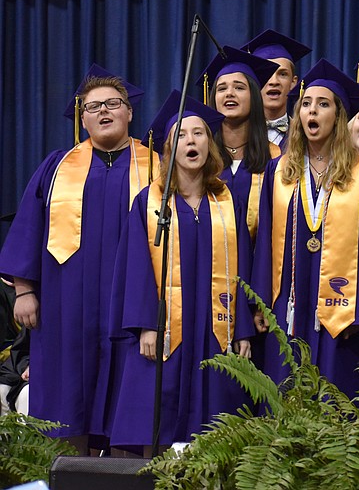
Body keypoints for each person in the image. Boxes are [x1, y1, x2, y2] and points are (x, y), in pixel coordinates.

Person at [0, 65, 156, 453]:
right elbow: (28, 228)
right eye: (93, 106)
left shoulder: (156, 166)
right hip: (65, 307)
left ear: (129, 112)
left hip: (133, 304)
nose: (104, 111)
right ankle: (68, 471)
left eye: (113, 104)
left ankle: (124, 472)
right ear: (82, 118)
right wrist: (24, 291)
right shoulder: (56, 167)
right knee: (67, 401)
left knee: (128, 398)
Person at [108, 91, 253, 451]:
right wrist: (146, 325)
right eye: (182, 136)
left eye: (199, 134)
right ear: (168, 149)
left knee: (218, 424)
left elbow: (243, 273)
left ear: (209, 145)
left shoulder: (227, 202)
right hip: (165, 328)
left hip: (215, 328)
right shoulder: (149, 203)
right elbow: (135, 268)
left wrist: (243, 330)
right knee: (158, 418)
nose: (191, 141)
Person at [251, 59, 359, 398]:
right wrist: (259, 302)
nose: (312, 111)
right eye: (306, 104)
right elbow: (265, 243)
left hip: (341, 308)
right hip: (288, 301)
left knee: (336, 391)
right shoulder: (278, 172)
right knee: (285, 386)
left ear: (338, 116)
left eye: (323, 104)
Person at [198, 46, 279, 240]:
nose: (229, 93)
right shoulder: (200, 157)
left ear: (254, 97)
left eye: (239, 87)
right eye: (222, 88)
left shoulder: (275, 158)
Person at [242, 29, 312, 149]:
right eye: (266, 74)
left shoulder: (306, 136)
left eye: (283, 74)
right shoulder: (239, 138)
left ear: (293, 82)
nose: (274, 81)